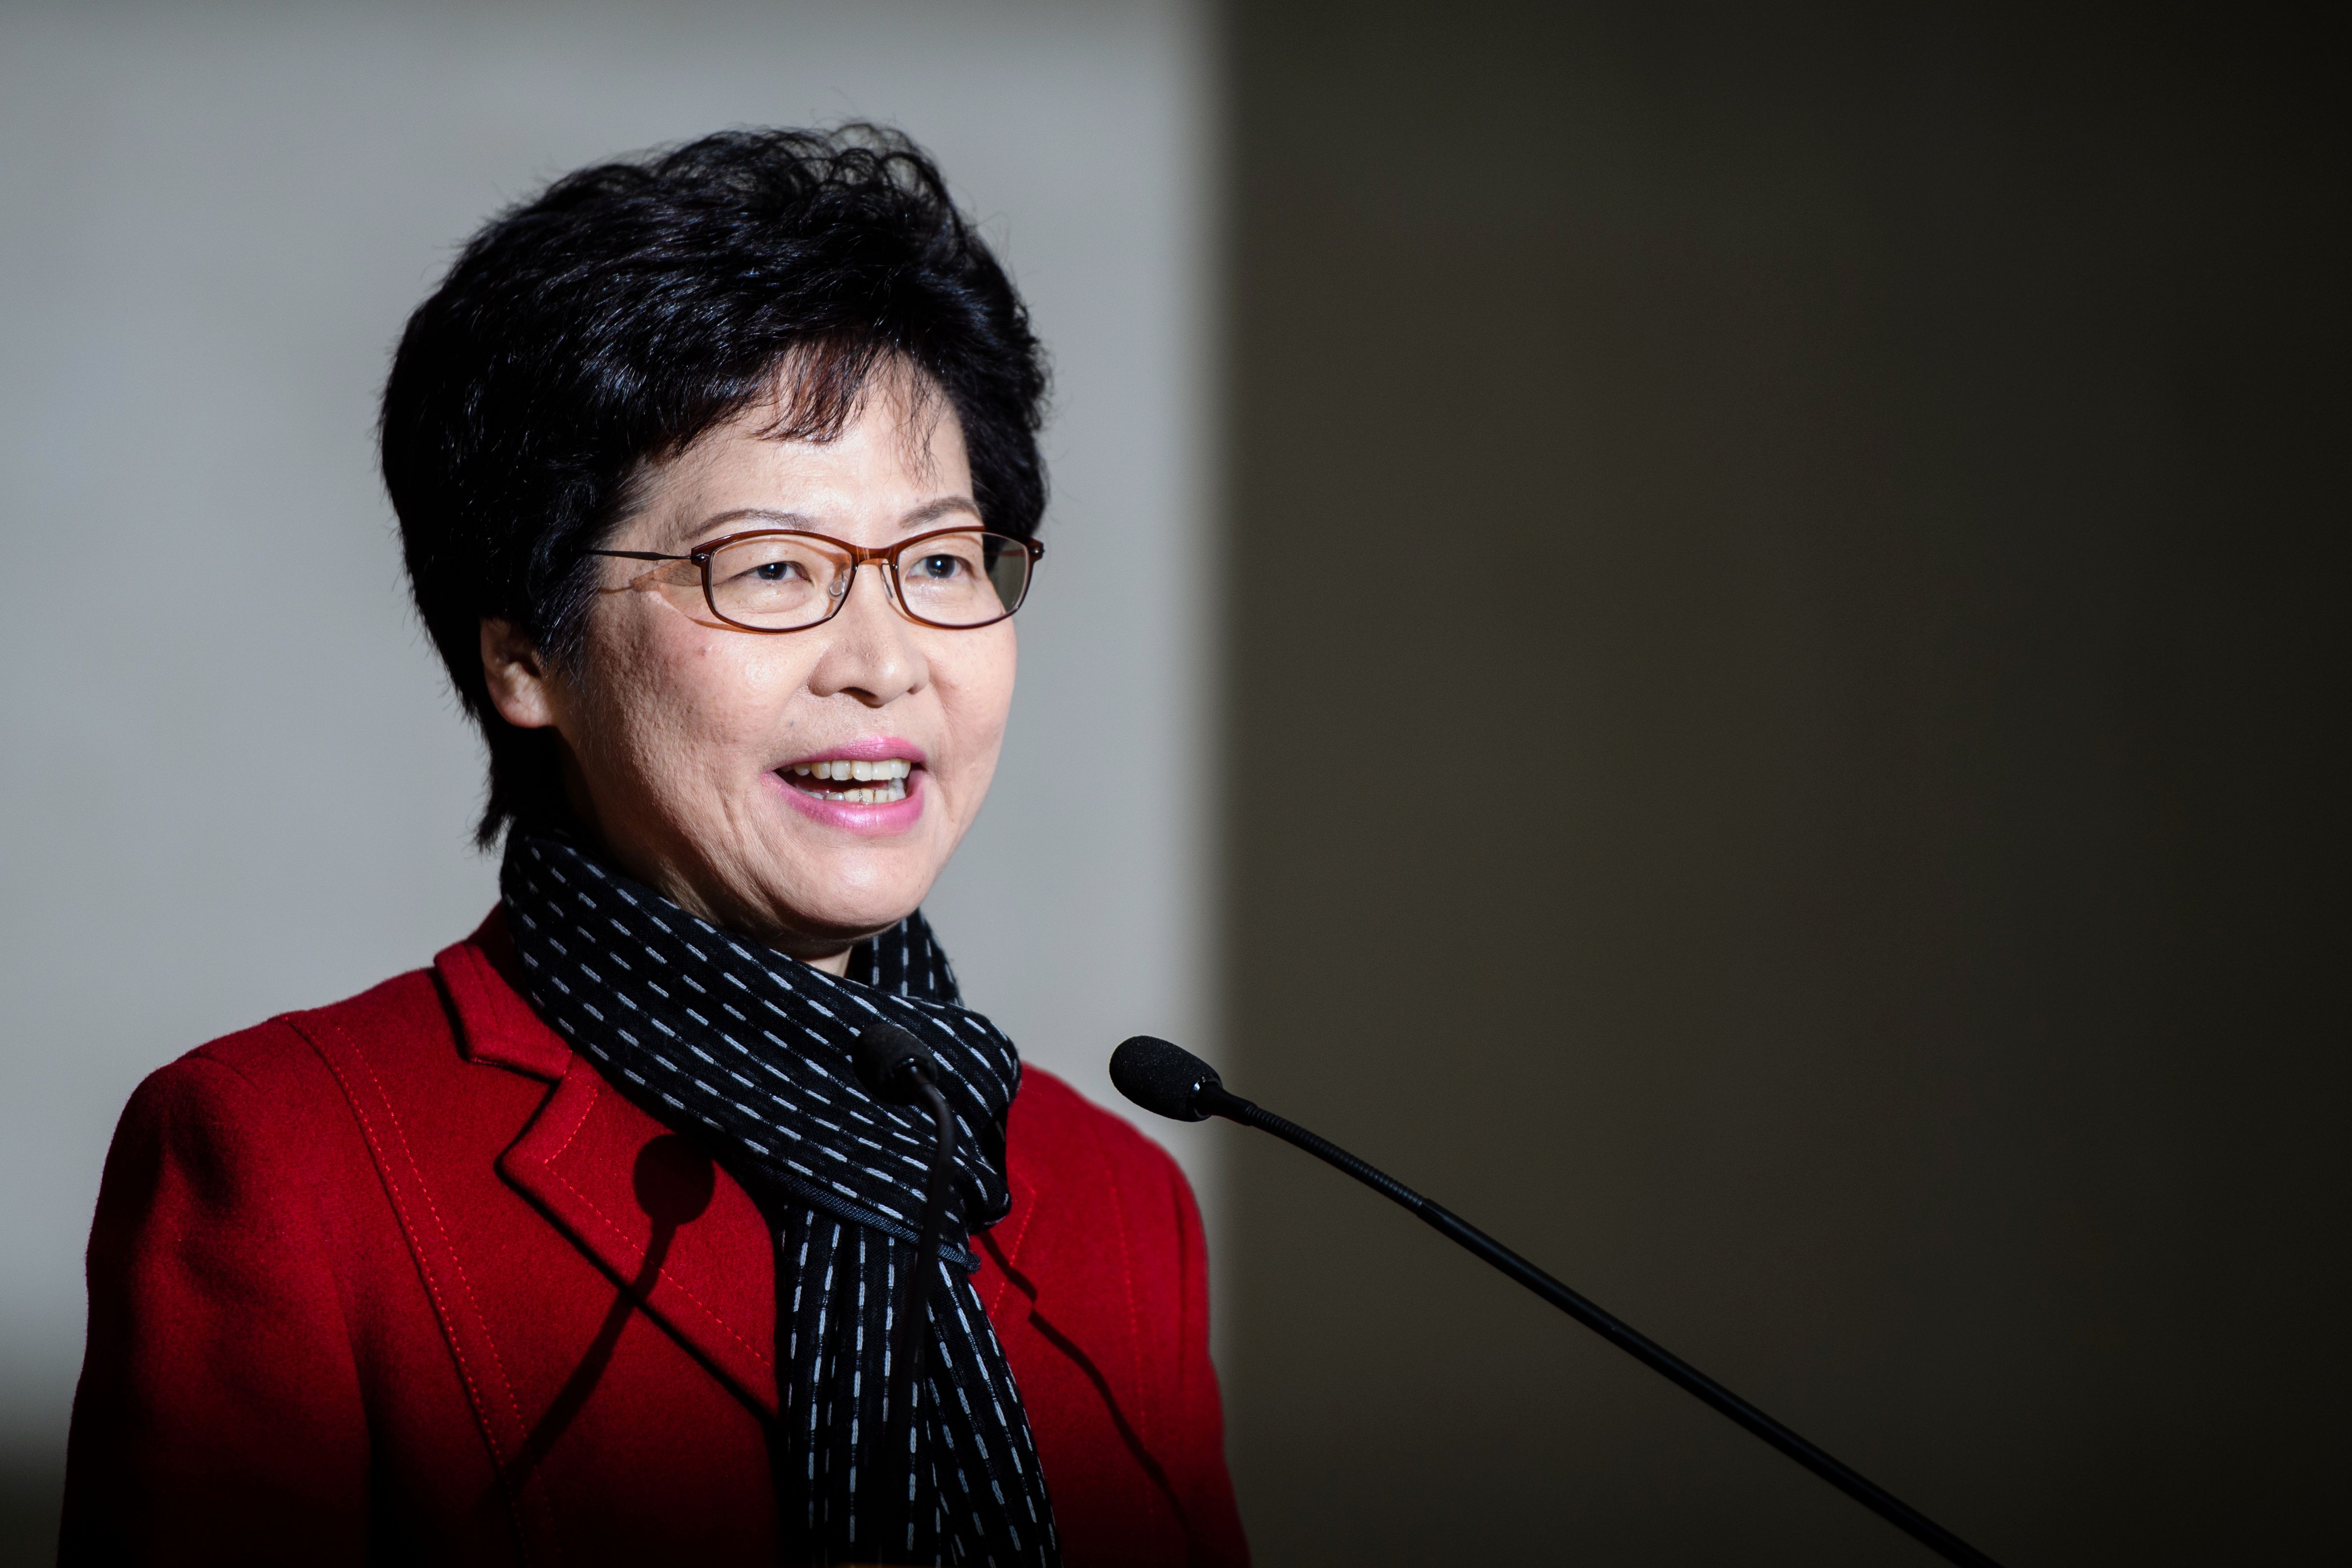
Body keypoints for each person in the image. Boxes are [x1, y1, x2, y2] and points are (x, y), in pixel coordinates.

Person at [60, 126, 1246, 1568]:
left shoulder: (1120, 1204)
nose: (885, 663)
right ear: (526, 656)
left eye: (941, 561)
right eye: (771, 568)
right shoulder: (287, 1166)